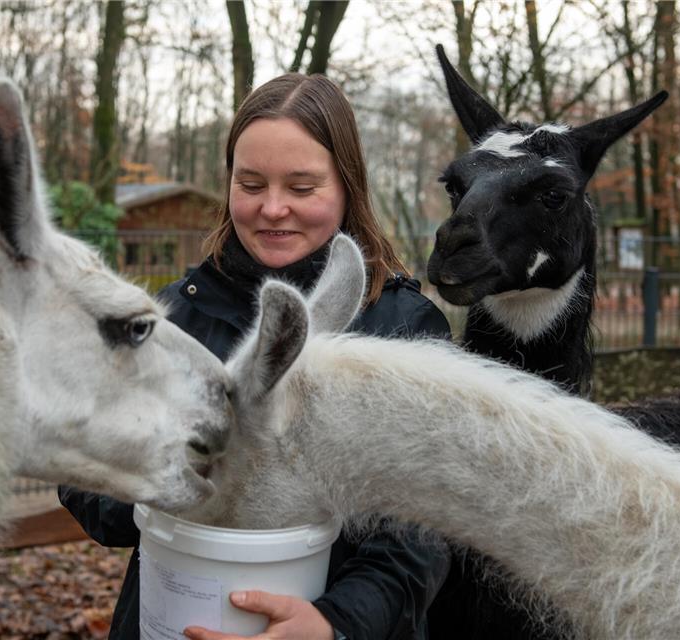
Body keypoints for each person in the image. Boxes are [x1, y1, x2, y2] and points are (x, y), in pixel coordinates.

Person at [60, 73, 451, 640]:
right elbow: (80, 474)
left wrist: (334, 624)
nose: (272, 209)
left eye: (301, 187)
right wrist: (158, 477)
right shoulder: (173, 317)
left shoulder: (400, 331)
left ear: (346, 187)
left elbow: (422, 536)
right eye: (251, 184)